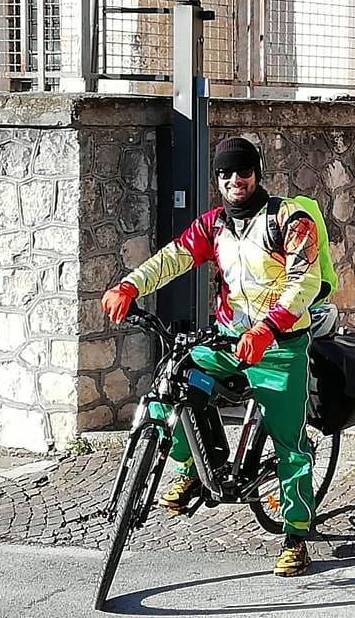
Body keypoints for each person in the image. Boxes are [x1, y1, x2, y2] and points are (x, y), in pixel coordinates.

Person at [101, 136, 322, 577]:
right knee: (176, 380)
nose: (235, 180)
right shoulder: (214, 225)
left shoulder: (289, 221)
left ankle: (296, 535)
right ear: (218, 180)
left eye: (243, 171)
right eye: (226, 173)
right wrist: (130, 285)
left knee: (290, 444)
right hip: (228, 340)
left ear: (257, 174)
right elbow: (173, 258)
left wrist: (268, 328)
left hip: (279, 346)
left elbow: (304, 281)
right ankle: (190, 467)